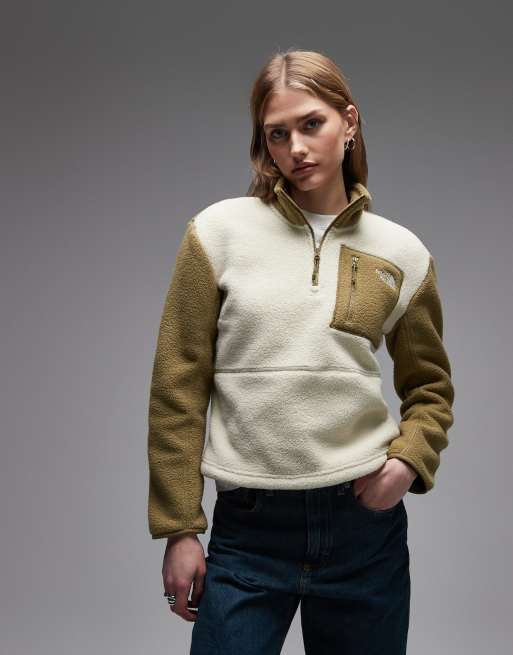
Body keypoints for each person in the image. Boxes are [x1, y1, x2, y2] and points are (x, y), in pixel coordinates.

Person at [146, 48, 455, 655]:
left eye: (312, 123)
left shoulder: (403, 252)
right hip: (249, 529)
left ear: (349, 121)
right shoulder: (218, 233)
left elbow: (430, 387)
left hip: (363, 528)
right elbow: (177, 385)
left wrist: (407, 463)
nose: (296, 148)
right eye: (277, 134)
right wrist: (179, 528)